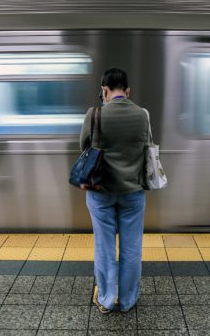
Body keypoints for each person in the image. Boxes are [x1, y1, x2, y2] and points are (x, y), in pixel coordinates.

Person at [80, 67, 149, 314]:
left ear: (104, 90)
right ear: (128, 91)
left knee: (104, 246)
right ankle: (128, 300)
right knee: (132, 247)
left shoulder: (94, 114)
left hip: (101, 191)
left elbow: (84, 147)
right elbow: (146, 147)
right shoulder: (142, 114)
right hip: (133, 191)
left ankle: (108, 299)